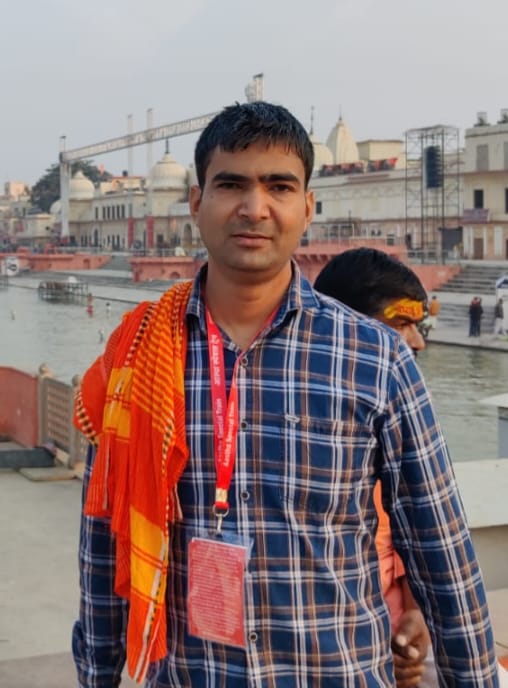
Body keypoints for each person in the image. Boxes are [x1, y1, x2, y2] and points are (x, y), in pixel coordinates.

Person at [72, 102, 499, 687]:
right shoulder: (136, 355)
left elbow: (441, 549)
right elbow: (103, 540)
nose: (255, 208)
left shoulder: (376, 359)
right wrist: (96, 674)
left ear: (308, 207)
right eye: (231, 185)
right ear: (196, 202)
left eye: (279, 186)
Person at [314, 248, 436, 687]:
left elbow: (420, 534)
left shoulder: (400, 414)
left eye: (418, 326)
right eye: (401, 323)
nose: (417, 342)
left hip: (399, 633)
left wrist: (415, 615)